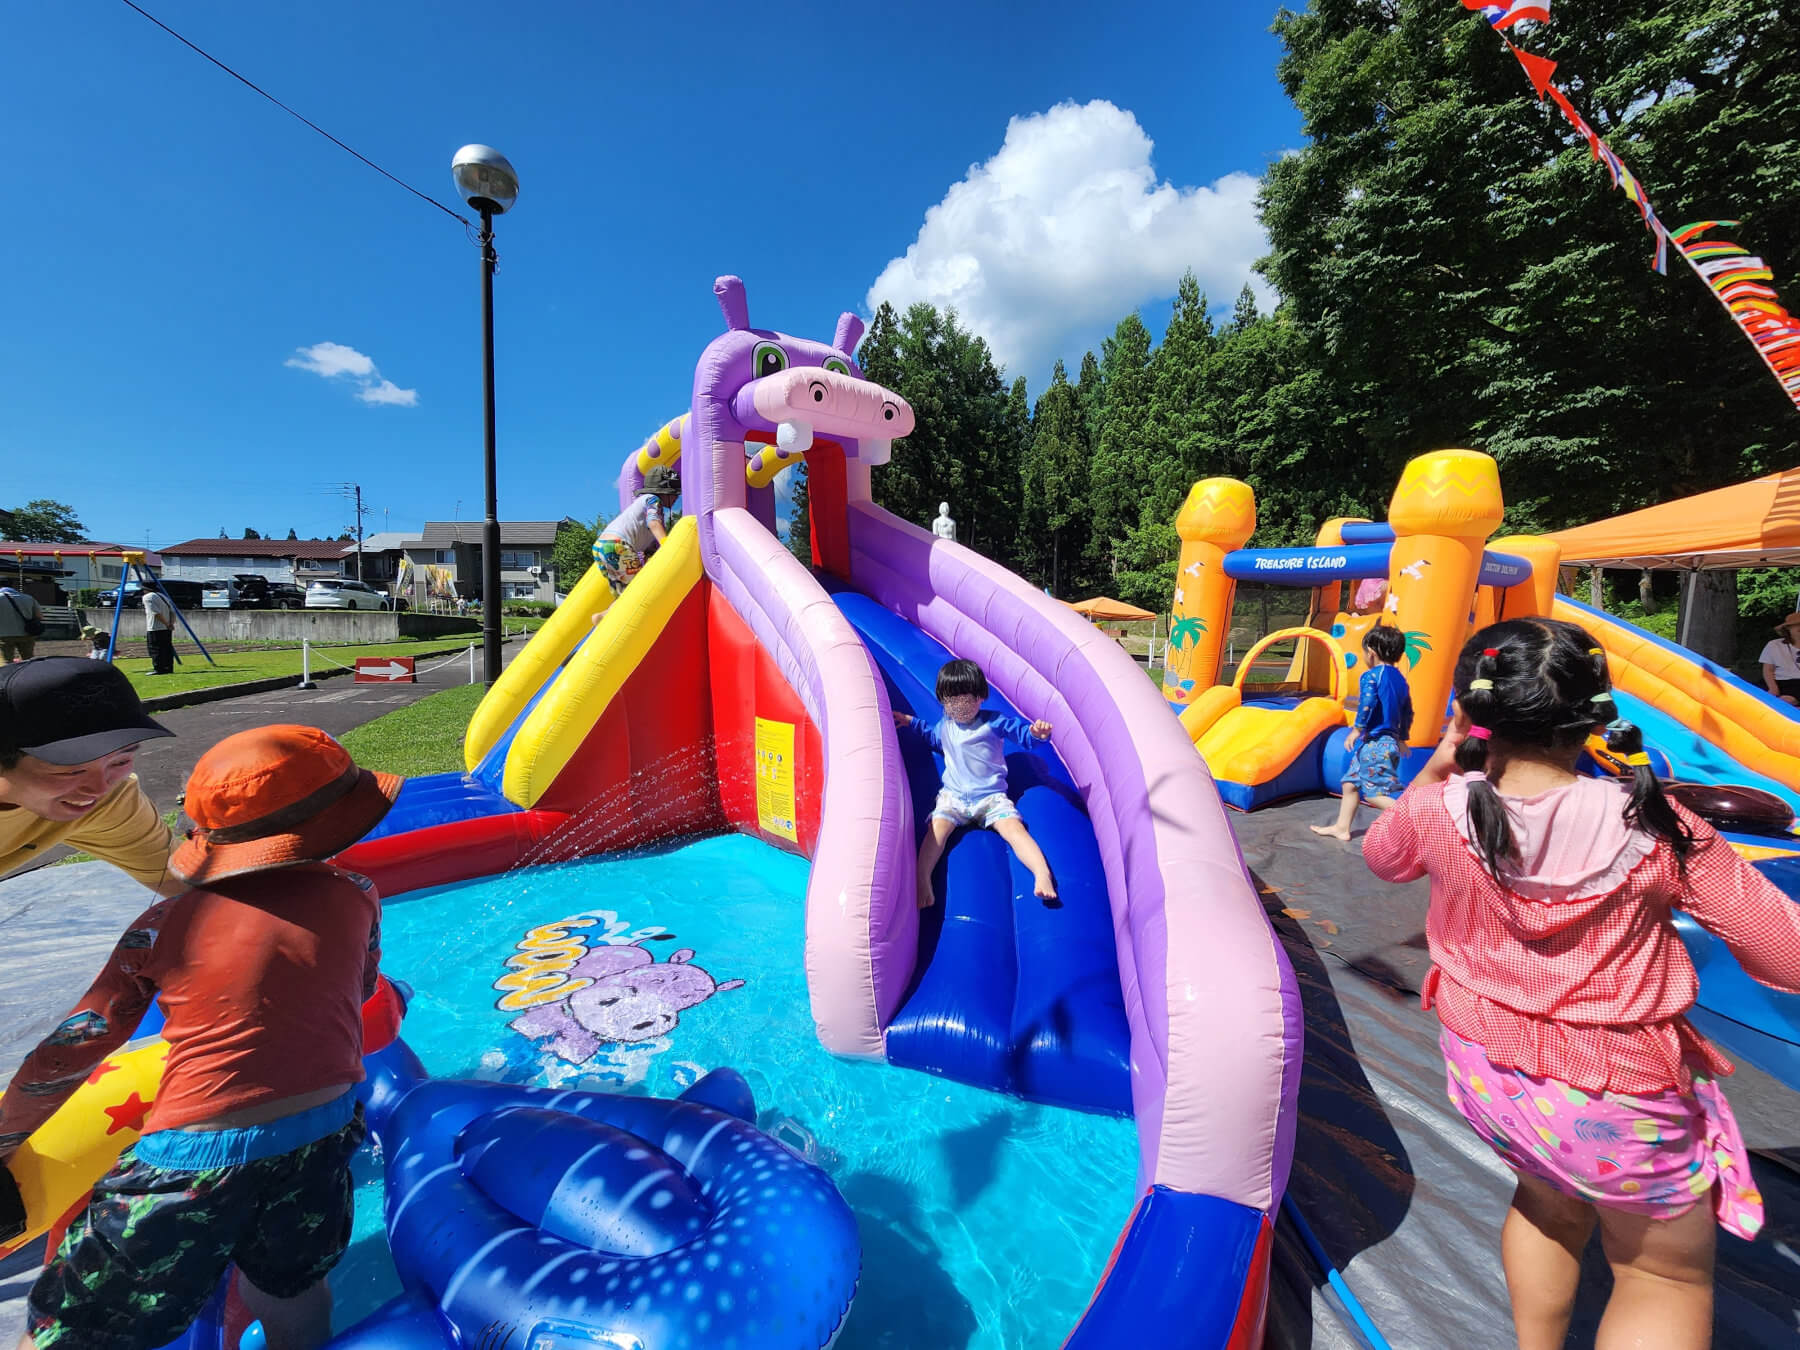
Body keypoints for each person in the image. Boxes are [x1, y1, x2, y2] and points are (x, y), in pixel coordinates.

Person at [1362, 619, 1800, 1350]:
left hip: (1489, 1074)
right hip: (1617, 1096)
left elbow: (1383, 856)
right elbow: (1787, 957)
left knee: (1546, 1202)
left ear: (1471, 714)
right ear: (1597, 714)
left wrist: (1437, 769)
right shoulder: (1661, 826)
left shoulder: (1440, 808)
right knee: (1662, 1277)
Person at [0, 724, 399, 1350]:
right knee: (293, 1287)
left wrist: (6, 1135)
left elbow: (77, 1043)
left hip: (193, 1165)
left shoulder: (165, 926)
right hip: (320, 1138)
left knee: (73, 1326)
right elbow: (364, 985)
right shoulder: (357, 894)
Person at [0, 658, 182, 895]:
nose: (99, 788)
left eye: (120, 761)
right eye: (72, 768)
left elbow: (181, 883)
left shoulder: (111, 801)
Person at [893, 658, 1057, 906]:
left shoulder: (993, 722)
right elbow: (935, 739)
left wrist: (1037, 734)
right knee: (935, 832)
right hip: (954, 796)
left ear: (981, 697)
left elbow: (1023, 736)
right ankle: (922, 877)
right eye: (950, 700)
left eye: (965, 699)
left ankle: (1042, 874)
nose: (958, 706)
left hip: (990, 797)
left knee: (1014, 830)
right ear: (942, 700)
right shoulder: (945, 725)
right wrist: (911, 721)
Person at [1312, 623, 1413, 841]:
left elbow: (1367, 702)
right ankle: (1342, 827)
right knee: (1350, 784)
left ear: (1371, 653)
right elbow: (1407, 711)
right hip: (1386, 742)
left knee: (1374, 793)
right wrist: (1402, 738)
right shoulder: (1400, 679)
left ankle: (1414, 821)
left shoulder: (1371, 676)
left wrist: (1356, 729)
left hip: (1376, 743)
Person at [594, 466, 680, 596]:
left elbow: (648, 545)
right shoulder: (653, 500)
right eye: (674, 494)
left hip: (601, 546)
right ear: (664, 492)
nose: (676, 498)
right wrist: (667, 544)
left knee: (625, 595)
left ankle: (601, 616)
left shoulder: (641, 505)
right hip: (618, 546)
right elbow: (653, 522)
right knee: (638, 591)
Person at [1757, 612, 1800, 705]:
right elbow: (1768, 670)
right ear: (1788, 628)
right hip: (1778, 681)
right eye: (1796, 625)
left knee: (1788, 700)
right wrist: (1773, 688)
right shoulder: (1774, 645)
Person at [0, 585, 42, 663]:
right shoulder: (28, 598)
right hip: (26, 634)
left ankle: (8, 675)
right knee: (28, 660)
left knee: (6, 661)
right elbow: (39, 616)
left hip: (3, 635)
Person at [142, 586, 175, 676]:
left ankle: (159, 668)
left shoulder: (148, 597)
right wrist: (170, 624)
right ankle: (168, 667)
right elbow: (172, 611)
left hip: (155, 627)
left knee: (155, 649)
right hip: (167, 628)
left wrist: (166, 623)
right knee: (167, 648)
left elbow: (155, 613)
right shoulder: (163, 596)